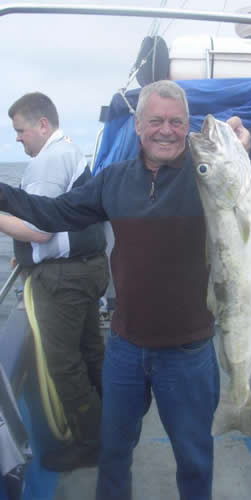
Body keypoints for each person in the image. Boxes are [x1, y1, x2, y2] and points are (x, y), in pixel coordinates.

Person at [0, 81, 251, 499]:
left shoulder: (208, 174)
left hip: (189, 353)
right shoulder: (112, 181)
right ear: (137, 125)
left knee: (195, 457)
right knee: (113, 454)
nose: (165, 130)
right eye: (155, 121)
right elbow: (52, 212)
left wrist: (248, 150)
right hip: (126, 349)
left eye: (176, 122)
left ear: (187, 126)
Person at [0, 92, 109, 472]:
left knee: (64, 364)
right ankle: (114, 425)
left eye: (20, 130)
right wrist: (24, 253)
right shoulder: (68, 151)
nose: (17, 138)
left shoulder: (48, 160)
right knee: (92, 351)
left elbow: (38, 229)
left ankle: (94, 444)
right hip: (88, 269)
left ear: (42, 125)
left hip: (65, 280)